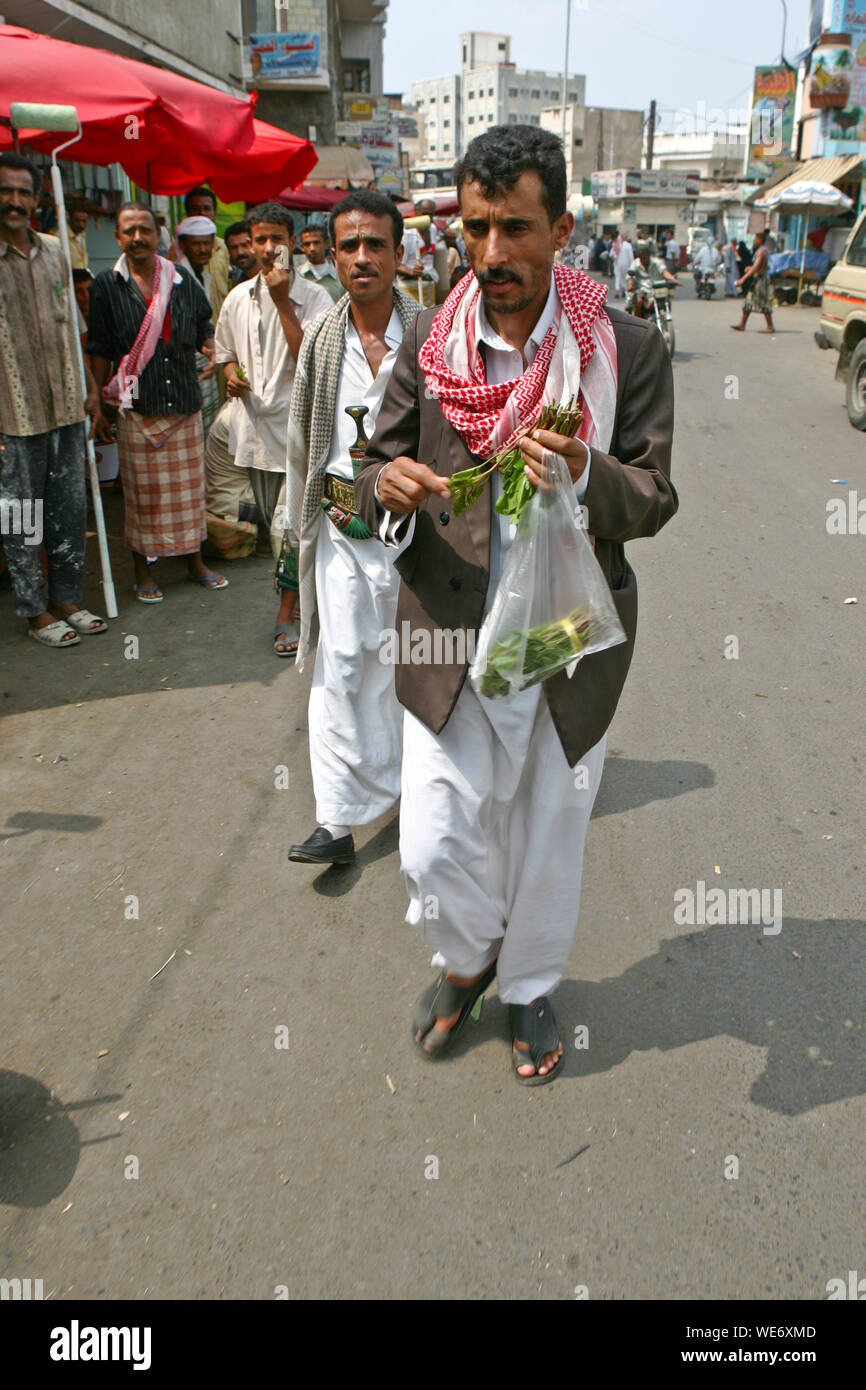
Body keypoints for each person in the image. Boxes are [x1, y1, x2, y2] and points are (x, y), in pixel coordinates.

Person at [354, 125, 677, 1084]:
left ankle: (528, 984)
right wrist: (386, 485)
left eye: (517, 230)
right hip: (451, 633)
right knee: (433, 839)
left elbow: (655, 496)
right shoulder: (425, 339)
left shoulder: (627, 346)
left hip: (571, 636)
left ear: (563, 229)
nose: (493, 255)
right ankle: (470, 954)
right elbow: (362, 469)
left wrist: (585, 470)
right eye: (477, 228)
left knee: (550, 828)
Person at [283, 190, 421, 865]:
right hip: (341, 528)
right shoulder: (320, 338)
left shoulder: (433, 331)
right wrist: (295, 531)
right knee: (339, 665)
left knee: (412, 665)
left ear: (399, 253)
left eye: (375, 245)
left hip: (418, 537)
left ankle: (416, 792)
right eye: (348, 246)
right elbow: (302, 443)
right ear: (332, 256)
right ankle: (335, 822)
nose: (362, 258)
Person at [87, 201, 227, 601]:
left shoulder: (179, 278)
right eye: (128, 231)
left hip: (183, 400)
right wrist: (96, 400)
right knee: (141, 497)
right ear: (118, 238)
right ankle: (142, 570)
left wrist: (211, 345)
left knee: (189, 496)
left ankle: (194, 561)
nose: (137, 238)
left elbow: (203, 323)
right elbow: (98, 346)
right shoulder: (105, 286)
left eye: (144, 230)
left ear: (157, 234)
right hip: (137, 406)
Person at [213, 201, 332, 651]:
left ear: (292, 242)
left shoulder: (316, 298)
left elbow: (313, 363)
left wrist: (283, 301)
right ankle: (303, 598)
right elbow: (223, 352)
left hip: (299, 432)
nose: (267, 248)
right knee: (277, 527)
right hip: (253, 435)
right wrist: (229, 377)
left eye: (276, 239)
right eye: (259, 239)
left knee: (290, 527)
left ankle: (288, 613)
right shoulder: (237, 298)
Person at [0, 152, 107, 647]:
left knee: (68, 508)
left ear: (37, 198)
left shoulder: (55, 253)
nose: (14, 201)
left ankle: (66, 597)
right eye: (6, 190)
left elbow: (74, 332)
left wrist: (90, 390)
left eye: (23, 192)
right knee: (21, 514)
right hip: (10, 414)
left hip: (65, 404)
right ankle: (35, 608)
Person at [175, 214, 223, 436]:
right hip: (188, 363)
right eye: (196, 243)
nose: (202, 249)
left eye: (206, 243)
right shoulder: (176, 276)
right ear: (183, 245)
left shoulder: (203, 273)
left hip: (208, 358)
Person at [732, 230, 774, 333]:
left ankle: (770, 326)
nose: (754, 241)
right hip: (758, 279)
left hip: (760, 280)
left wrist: (743, 278)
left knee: (763, 303)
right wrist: (750, 268)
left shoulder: (761, 251)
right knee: (748, 301)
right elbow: (757, 266)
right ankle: (742, 324)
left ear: (759, 240)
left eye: (755, 239)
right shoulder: (762, 250)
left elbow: (756, 267)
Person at [626, 238, 679, 318]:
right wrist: (630, 286)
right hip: (642, 289)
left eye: (645, 255)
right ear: (639, 256)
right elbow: (630, 276)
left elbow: (664, 272)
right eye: (641, 256)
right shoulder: (635, 264)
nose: (644, 258)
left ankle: (665, 317)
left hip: (657, 289)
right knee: (639, 302)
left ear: (649, 254)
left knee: (667, 301)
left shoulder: (657, 262)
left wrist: (673, 279)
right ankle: (639, 323)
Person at [296, 223, 343, 303]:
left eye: (316, 243)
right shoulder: (296, 276)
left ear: (326, 244)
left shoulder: (341, 277)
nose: (312, 248)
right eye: (307, 244)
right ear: (302, 247)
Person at [225, 221, 257, 285]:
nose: (240, 252)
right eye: (234, 247)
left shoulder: (275, 277)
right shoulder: (239, 280)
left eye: (244, 245)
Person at [67, 201, 88, 270]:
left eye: (84, 221)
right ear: (70, 219)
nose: (81, 225)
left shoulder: (82, 235)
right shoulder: (61, 237)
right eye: (77, 221)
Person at [613, 229, 633, 298]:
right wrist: (632, 266)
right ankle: (624, 290)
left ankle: (617, 291)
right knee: (625, 278)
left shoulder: (616, 244)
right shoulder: (628, 245)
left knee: (618, 277)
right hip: (626, 264)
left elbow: (612, 254)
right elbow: (631, 257)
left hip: (617, 263)